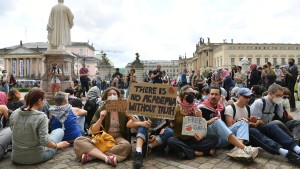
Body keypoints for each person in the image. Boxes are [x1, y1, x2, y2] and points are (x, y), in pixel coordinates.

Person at [74, 87, 133, 167]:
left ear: (118, 96)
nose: (112, 96)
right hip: (102, 138)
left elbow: (133, 124)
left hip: (118, 138)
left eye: (114, 94)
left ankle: (92, 156)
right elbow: (93, 130)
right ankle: (106, 158)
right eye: (109, 94)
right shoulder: (101, 109)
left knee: (126, 146)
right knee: (78, 141)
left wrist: (131, 116)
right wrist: (101, 118)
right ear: (105, 98)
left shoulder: (124, 109)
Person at [9, 88, 69, 164]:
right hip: (36, 157)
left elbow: (12, 129)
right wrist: (57, 146)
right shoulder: (41, 116)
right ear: (39, 100)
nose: (44, 103)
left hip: (16, 157)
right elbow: (45, 141)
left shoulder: (15, 113)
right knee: (59, 131)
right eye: (44, 100)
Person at [198, 86, 258, 162]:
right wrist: (209, 122)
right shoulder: (201, 108)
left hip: (221, 139)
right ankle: (243, 148)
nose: (213, 96)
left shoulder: (221, 107)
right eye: (212, 94)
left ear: (220, 96)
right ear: (208, 95)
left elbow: (226, 126)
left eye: (216, 94)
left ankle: (237, 150)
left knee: (243, 121)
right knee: (217, 121)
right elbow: (196, 127)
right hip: (209, 139)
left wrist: (239, 121)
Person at [249, 84, 300, 164]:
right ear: (270, 93)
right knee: (275, 124)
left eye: (281, 95)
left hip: (272, 126)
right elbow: (254, 122)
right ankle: (292, 149)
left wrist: (280, 104)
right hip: (260, 127)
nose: (280, 97)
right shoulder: (259, 103)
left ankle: (296, 147)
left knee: (279, 124)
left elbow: (281, 115)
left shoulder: (277, 103)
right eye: (278, 95)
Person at [167, 85, 218, 160]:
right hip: (179, 139)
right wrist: (169, 121)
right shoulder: (176, 108)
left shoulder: (196, 109)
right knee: (170, 141)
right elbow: (171, 125)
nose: (193, 96)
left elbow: (200, 129)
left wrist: (200, 118)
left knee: (214, 139)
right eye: (191, 94)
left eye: (194, 94)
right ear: (184, 95)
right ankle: (200, 152)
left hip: (193, 140)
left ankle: (185, 151)